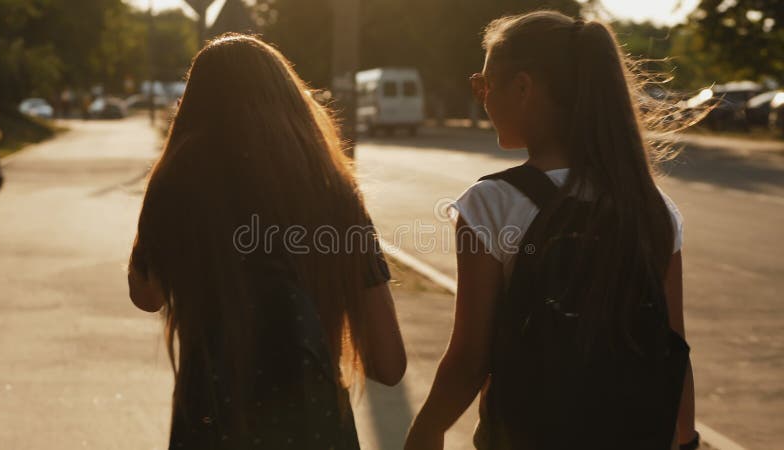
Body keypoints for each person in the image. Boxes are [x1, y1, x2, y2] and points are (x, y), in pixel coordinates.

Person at [405, 11, 698, 450]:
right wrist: (686, 439)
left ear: (522, 88)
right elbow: (673, 349)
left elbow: (470, 358)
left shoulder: (492, 203)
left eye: (484, 85)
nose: (481, 98)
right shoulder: (653, 208)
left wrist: (425, 431)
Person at [128, 34, 406, 449]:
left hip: (211, 424)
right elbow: (388, 362)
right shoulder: (335, 194)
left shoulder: (177, 185)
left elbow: (147, 295)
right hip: (316, 428)